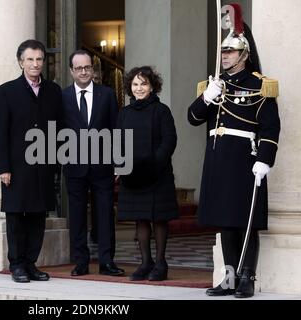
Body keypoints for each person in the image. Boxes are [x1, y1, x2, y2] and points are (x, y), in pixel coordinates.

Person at [188, 4, 280, 298]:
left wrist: (265, 160)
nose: (225, 56)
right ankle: (228, 277)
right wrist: (207, 97)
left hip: (245, 160)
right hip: (218, 159)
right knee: (224, 222)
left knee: (245, 221)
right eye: (223, 52)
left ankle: (247, 278)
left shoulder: (259, 85)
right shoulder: (216, 83)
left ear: (244, 55)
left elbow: (270, 127)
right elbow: (193, 118)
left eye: (230, 52)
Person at [0, 40, 63, 283]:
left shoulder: (54, 91)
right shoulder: (6, 91)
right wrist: (2, 167)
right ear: (21, 62)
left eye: (39, 59)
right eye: (30, 59)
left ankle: (31, 263)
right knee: (15, 216)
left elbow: (59, 128)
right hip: (15, 167)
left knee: (37, 216)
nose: (35, 64)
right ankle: (17, 265)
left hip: (43, 165)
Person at [62, 50, 124, 277]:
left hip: (103, 166)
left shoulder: (107, 95)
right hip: (74, 166)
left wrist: (119, 162)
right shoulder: (63, 96)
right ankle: (81, 262)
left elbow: (116, 129)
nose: (84, 71)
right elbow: (57, 131)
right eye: (79, 68)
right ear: (71, 71)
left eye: (87, 67)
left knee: (105, 214)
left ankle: (107, 261)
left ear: (93, 69)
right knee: (77, 215)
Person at [117, 66, 179, 281]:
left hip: (157, 174)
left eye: (144, 83)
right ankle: (145, 263)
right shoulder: (124, 113)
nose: (139, 88)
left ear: (152, 86)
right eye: (135, 84)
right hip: (132, 176)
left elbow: (169, 140)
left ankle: (161, 264)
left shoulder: (162, 111)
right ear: (130, 87)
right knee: (140, 220)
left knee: (159, 219)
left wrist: (155, 164)